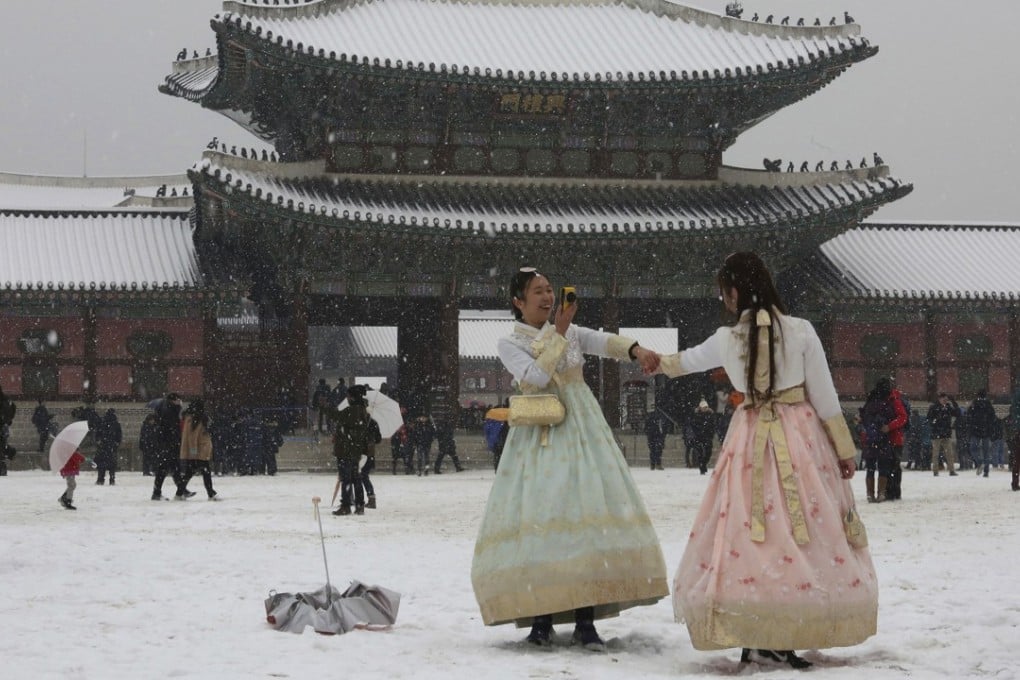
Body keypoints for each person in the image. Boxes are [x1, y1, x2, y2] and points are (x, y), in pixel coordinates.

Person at [657, 252, 877, 668]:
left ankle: (752, 625)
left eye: (725, 292)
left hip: (751, 440)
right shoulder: (801, 331)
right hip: (802, 441)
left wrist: (652, 360)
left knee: (748, 530)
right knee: (801, 529)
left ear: (735, 292)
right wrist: (844, 450)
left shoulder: (727, 339)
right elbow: (826, 398)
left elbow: (681, 363)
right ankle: (788, 626)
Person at [471, 267, 668, 652]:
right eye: (537, 292)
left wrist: (636, 349)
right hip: (539, 437)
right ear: (518, 301)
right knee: (541, 517)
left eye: (549, 290)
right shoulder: (510, 342)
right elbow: (535, 378)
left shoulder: (573, 331)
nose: (547, 298)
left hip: (582, 427)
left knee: (585, 514)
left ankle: (585, 618)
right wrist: (558, 333)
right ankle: (541, 618)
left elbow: (604, 342)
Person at [330, 385, 377, 516]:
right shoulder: (361, 411)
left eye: (349, 396)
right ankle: (359, 504)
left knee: (348, 478)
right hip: (354, 450)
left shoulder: (354, 411)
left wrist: (324, 407)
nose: (347, 398)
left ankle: (347, 505)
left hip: (349, 450)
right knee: (355, 478)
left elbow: (337, 416)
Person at [860, 381, 899, 502]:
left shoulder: (869, 404)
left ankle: (870, 494)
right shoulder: (886, 404)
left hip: (870, 439)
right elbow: (891, 417)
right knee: (883, 467)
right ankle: (881, 493)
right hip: (883, 439)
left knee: (870, 468)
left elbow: (864, 419)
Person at [178, 399, 219, 500]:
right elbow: (192, 438)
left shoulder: (194, 419)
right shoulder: (194, 420)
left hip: (200, 452)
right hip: (199, 452)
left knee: (190, 473)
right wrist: (193, 453)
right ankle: (211, 493)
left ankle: (179, 493)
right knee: (205, 473)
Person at [152, 393, 189, 501]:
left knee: (174, 468)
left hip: (167, 444)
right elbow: (172, 428)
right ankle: (157, 492)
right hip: (169, 444)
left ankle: (182, 490)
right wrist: (179, 407)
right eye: (178, 400)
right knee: (164, 469)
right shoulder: (169, 411)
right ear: (173, 401)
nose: (180, 402)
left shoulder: (166, 410)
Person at [883, 379, 909, 501]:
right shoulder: (893, 399)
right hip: (893, 438)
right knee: (893, 465)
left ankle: (893, 490)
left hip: (893, 438)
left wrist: (890, 426)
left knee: (893, 465)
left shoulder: (894, 401)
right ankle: (893, 490)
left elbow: (903, 417)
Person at [430, 383, 464, 474]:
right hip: (445, 428)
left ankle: (439, 468)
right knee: (448, 451)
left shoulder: (435, 401)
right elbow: (447, 415)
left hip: (442, 429)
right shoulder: (446, 401)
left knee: (445, 451)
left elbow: (436, 415)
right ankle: (456, 467)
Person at [967, 390, 997, 477]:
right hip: (986, 431)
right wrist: (990, 429)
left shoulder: (974, 403)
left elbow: (969, 415)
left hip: (975, 431)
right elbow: (992, 418)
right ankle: (986, 471)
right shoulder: (988, 404)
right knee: (986, 452)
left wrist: (971, 426)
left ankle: (979, 462)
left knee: (973, 449)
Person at [93, 408, 122, 486]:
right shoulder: (116, 423)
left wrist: (98, 441)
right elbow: (119, 435)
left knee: (101, 464)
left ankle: (100, 479)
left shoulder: (102, 422)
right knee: (112, 464)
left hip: (103, 445)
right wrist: (117, 443)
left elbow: (97, 433)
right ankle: (112, 479)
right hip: (112, 446)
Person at [689, 399, 717, 475]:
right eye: (704, 407)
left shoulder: (710, 415)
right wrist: (697, 433)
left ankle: (703, 464)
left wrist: (711, 434)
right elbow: (693, 425)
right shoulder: (696, 415)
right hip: (698, 437)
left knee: (708, 453)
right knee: (700, 453)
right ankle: (702, 467)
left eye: (706, 407)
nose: (705, 408)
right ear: (700, 407)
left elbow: (713, 425)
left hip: (707, 436)